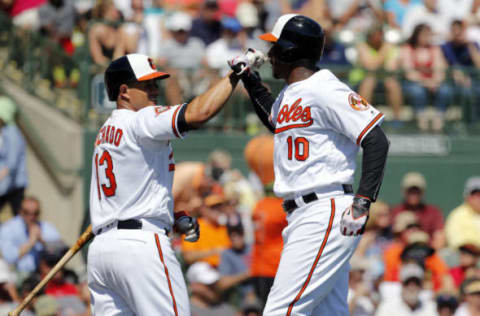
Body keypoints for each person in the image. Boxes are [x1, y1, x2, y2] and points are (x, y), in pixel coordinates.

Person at [228, 14, 389, 315]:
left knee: (280, 310)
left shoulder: (326, 88)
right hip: (305, 214)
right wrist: (250, 80)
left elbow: (376, 139)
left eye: (276, 47)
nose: (271, 54)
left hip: (324, 211)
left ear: (290, 51)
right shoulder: (292, 92)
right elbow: (274, 120)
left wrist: (363, 201)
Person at [87, 53, 244, 315]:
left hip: (103, 250)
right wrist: (234, 75)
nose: (154, 89)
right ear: (124, 92)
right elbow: (198, 113)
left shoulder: (105, 132)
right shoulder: (141, 120)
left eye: (155, 83)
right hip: (140, 247)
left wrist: (168, 217)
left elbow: (129, 194)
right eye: (146, 84)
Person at [400, 23, 453, 131]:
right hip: (414, 83)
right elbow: (409, 73)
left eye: (429, 35)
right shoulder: (408, 49)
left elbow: (440, 70)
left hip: (432, 82)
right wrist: (426, 82)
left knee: (445, 90)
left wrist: (434, 81)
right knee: (417, 91)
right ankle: (421, 119)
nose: (427, 38)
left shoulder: (435, 49)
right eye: (424, 35)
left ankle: (439, 118)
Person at [0, 196, 61, 274]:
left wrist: (42, 241)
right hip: (18, 275)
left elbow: (60, 251)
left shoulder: (46, 227)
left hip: (43, 274)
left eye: (35, 213)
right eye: (26, 212)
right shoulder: (8, 228)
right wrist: (30, 243)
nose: (31, 217)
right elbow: (9, 258)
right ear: (20, 212)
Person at [391, 172, 445, 248]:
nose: (413, 194)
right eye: (410, 191)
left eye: (416, 191)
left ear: (422, 192)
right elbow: (393, 239)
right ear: (404, 192)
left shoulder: (433, 212)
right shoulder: (396, 211)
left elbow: (439, 238)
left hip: (426, 250)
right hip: (402, 253)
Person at [0, 95, 27, 216]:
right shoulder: (6, 131)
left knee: (21, 216)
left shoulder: (12, 132)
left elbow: (12, 162)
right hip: (8, 184)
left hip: (14, 185)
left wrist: (1, 176)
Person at [445, 176, 480, 249]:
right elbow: (456, 242)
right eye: (474, 194)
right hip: (468, 255)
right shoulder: (457, 215)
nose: (478, 198)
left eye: (479, 194)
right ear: (467, 197)